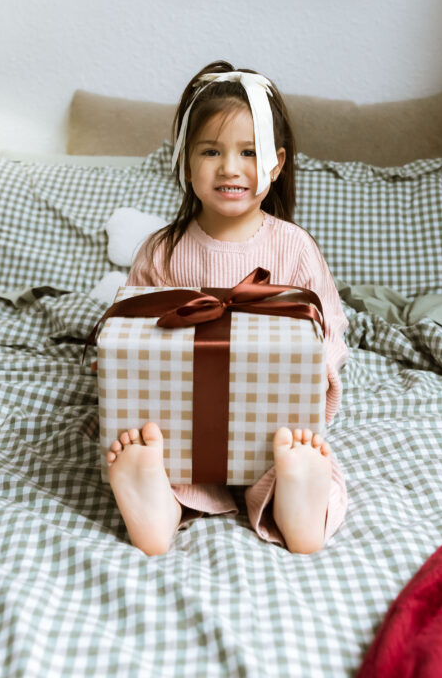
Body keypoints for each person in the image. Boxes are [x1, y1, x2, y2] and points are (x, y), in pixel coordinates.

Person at [105, 61, 349, 556]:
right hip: (183, 420)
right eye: (211, 151)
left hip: (271, 425)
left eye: (249, 152)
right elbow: (132, 327)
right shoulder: (162, 250)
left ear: (276, 164)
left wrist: (316, 371)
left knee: (297, 452)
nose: (230, 168)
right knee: (156, 448)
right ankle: (156, 501)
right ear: (185, 161)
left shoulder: (294, 247)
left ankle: (297, 498)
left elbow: (330, 327)